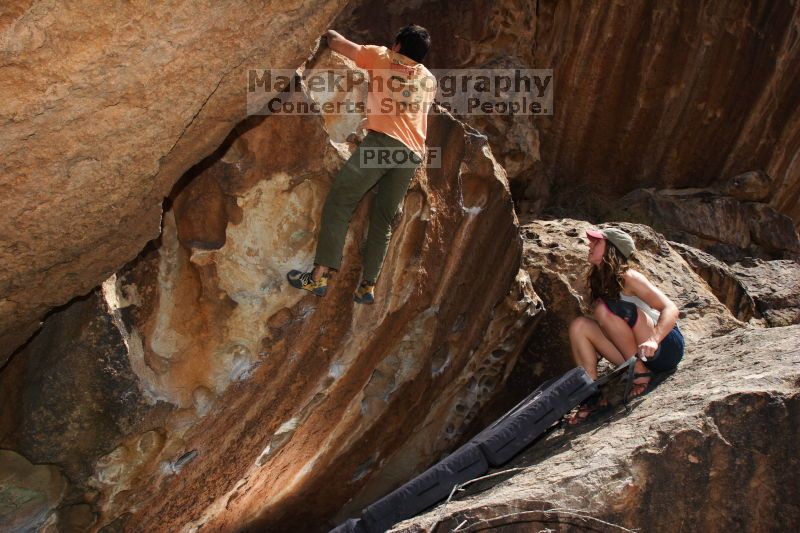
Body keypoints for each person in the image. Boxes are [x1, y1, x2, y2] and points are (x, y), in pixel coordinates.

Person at [287, 25, 437, 304]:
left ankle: (318, 277)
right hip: (412, 154)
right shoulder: (429, 79)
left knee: (339, 202)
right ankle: (367, 286)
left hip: (382, 145)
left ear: (397, 46)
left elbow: (339, 44)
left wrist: (324, 28)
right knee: (383, 218)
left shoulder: (381, 57)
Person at [566, 227, 685, 424]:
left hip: (665, 348)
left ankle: (640, 371)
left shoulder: (629, 276)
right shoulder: (598, 281)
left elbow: (671, 308)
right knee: (579, 326)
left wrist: (654, 340)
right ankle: (591, 396)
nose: (590, 245)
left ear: (612, 248)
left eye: (597, 242)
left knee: (604, 310)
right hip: (635, 352)